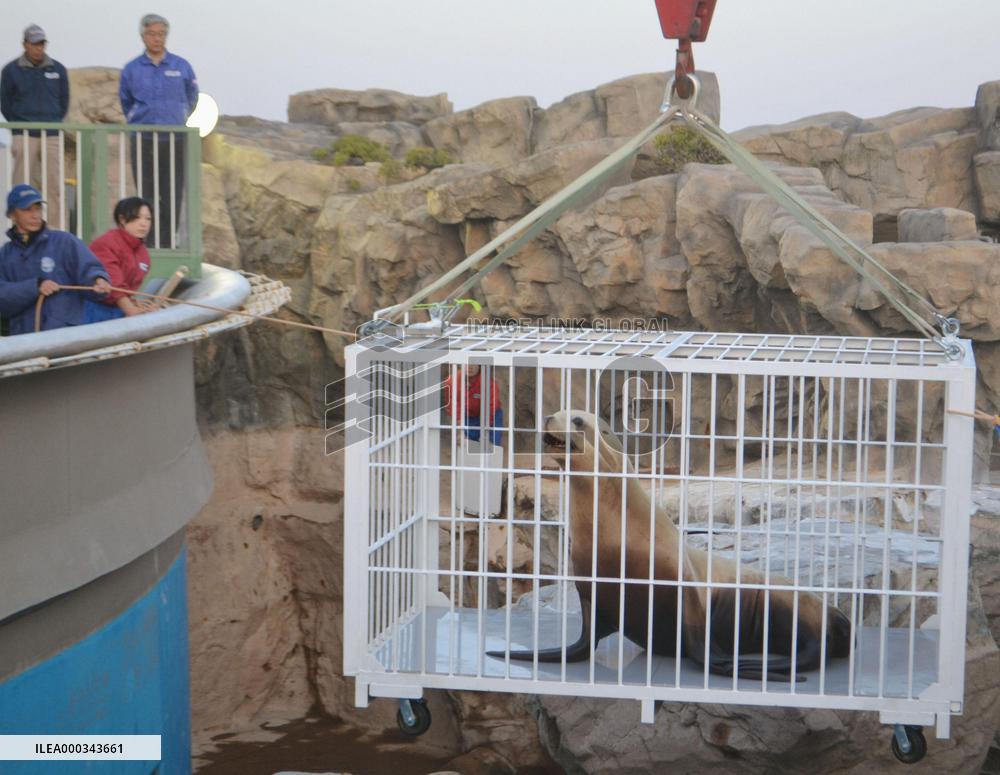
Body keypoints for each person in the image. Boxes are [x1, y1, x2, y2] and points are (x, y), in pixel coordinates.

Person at [118, 13, 198, 249]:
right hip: (143, 138)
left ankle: (167, 241)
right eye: (152, 34)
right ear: (143, 36)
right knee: (147, 192)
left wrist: (180, 116)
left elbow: (192, 97)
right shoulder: (132, 69)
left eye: (161, 34)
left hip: (174, 139)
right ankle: (148, 243)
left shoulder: (181, 66)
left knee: (172, 193)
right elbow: (126, 101)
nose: (157, 39)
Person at [0, 184, 111, 335]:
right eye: (27, 210)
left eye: (38, 208)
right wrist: (35, 286)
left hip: (65, 338)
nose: (35, 215)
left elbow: (89, 269)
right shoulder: (5, 255)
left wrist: (98, 280)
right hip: (24, 341)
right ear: (12, 214)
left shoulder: (65, 242)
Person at [0, 25, 69, 229]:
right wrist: (19, 124)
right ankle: (21, 229)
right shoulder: (11, 70)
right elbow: (5, 102)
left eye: (42, 44)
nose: (39, 48)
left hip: (52, 134)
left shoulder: (58, 69)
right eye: (34, 44)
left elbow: (64, 102)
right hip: (24, 134)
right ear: (25, 45)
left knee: (55, 185)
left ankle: (57, 231)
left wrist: (54, 120)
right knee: (23, 185)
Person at [84, 197, 156, 323]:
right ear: (122, 219)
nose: (143, 223)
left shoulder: (143, 254)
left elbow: (127, 292)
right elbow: (115, 286)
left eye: (148, 218)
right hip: (91, 310)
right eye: (137, 217)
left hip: (117, 309)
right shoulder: (107, 243)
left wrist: (139, 306)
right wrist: (133, 312)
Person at [443, 364, 504, 445]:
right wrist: (460, 425)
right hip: (466, 417)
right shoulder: (452, 381)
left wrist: (485, 430)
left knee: (491, 445)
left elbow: (492, 406)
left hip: (489, 416)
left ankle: (491, 450)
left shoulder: (488, 382)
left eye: (474, 364)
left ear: (479, 366)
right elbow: (452, 405)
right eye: (467, 363)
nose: (470, 367)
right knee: (465, 446)